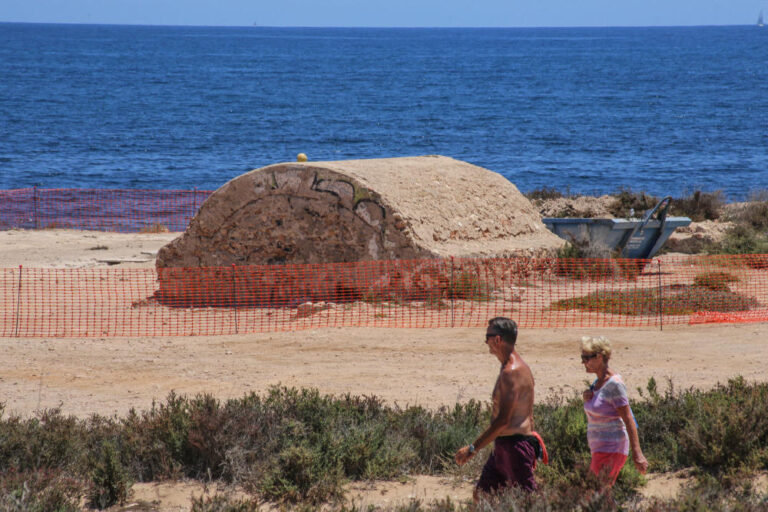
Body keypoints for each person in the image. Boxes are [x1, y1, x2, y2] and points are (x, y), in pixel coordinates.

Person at [455, 317, 541, 498]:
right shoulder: (512, 369)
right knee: (482, 495)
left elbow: (503, 421)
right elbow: (529, 414)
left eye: (487, 336)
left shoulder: (512, 373)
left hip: (515, 448)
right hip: (504, 447)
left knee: (530, 501)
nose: (485, 341)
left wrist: (472, 449)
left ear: (497, 339)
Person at [580, 335, 648, 486]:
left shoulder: (614, 384)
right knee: (598, 496)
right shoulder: (597, 383)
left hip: (611, 448)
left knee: (595, 495)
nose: (583, 362)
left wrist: (637, 453)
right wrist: (587, 398)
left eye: (586, 358)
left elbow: (628, 418)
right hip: (599, 450)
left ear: (599, 357)